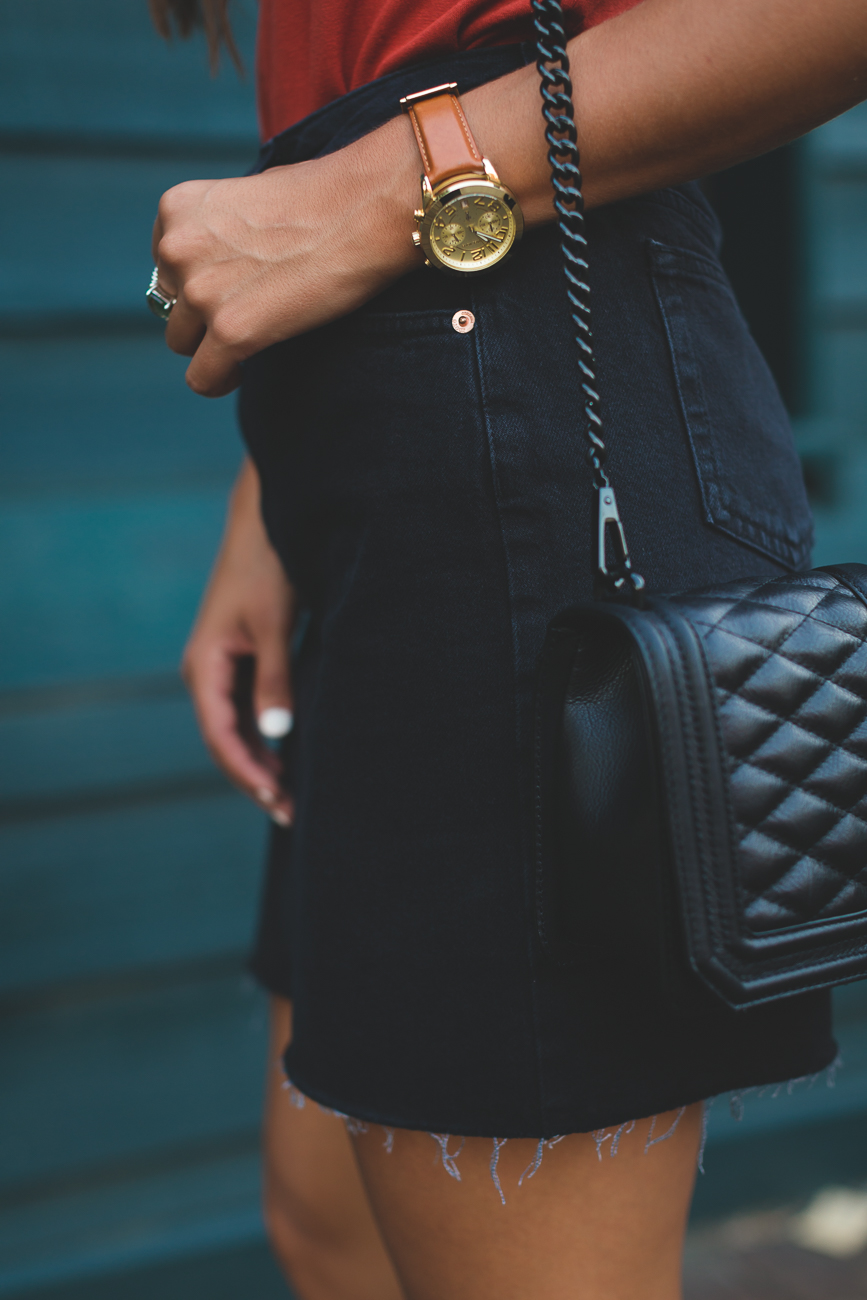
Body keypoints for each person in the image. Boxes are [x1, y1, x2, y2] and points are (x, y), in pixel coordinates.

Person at [150, 1, 867, 1296]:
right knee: (332, 1224)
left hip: (519, 399)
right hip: (385, 442)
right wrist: (268, 516)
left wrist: (376, 195)